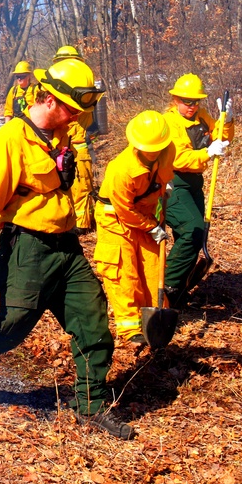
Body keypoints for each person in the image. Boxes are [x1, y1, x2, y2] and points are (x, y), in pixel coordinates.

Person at [0, 59, 135, 440]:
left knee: (93, 322)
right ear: (49, 99)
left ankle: (90, 404)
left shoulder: (63, 133)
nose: (75, 119)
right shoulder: (12, 138)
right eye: (70, 110)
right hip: (27, 249)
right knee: (11, 330)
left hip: (66, 248)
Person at [93, 111, 175, 345]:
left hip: (147, 213)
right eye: (149, 147)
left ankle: (156, 319)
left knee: (153, 267)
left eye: (158, 147)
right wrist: (151, 227)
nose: (153, 151)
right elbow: (124, 211)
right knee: (124, 271)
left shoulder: (168, 149)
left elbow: (167, 169)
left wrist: (164, 186)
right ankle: (129, 327)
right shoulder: (122, 170)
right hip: (116, 219)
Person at [162, 73, 234, 307]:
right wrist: (207, 153)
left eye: (196, 101)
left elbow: (221, 137)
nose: (192, 107)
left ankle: (179, 291)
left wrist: (228, 120)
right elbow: (179, 158)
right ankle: (166, 286)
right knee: (191, 230)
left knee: (196, 235)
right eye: (186, 101)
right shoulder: (170, 122)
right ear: (175, 99)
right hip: (172, 181)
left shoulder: (202, 116)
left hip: (195, 182)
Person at [52, 46, 97, 232]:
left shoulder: (85, 90)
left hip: (80, 146)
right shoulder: (55, 89)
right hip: (59, 146)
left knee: (82, 186)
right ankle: (67, 222)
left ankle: (82, 224)